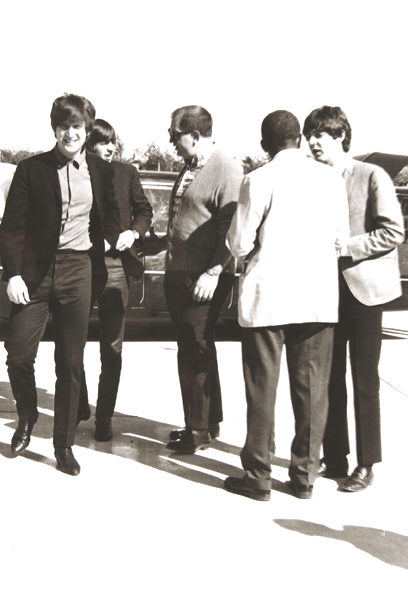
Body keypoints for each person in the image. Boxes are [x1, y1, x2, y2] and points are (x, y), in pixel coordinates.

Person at [224, 110, 349, 501]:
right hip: (316, 300)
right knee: (312, 390)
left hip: (268, 300)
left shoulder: (258, 179)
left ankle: (259, 476)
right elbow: (340, 240)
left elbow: (238, 243)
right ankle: (304, 477)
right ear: (299, 138)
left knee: (262, 388)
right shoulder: (331, 179)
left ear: (265, 145)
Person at [0, 94, 120, 475]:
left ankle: (63, 444)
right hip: (35, 272)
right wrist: (13, 274)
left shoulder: (100, 171)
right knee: (18, 354)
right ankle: (27, 416)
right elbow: (11, 228)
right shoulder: (31, 169)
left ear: (87, 131)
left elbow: (113, 214)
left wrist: (110, 238)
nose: (71, 134)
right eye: (65, 126)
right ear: (55, 129)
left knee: (70, 361)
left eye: (78, 127)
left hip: (79, 270)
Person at [303, 106, 404, 492]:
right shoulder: (314, 181)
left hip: (364, 292)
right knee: (328, 378)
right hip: (326, 290)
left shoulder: (371, 175)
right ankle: (336, 456)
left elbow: (393, 231)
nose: (312, 142)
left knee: (364, 379)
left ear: (341, 136)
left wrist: (349, 247)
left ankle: (366, 463)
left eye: (321, 135)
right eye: (309, 135)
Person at [142, 105, 243, 453]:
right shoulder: (189, 167)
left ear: (195, 136)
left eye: (175, 136)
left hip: (203, 278)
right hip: (182, 274)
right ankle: (207, 422)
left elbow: (232, 231)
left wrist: (213, 272)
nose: (171, 143)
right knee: (199, 347)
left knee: (193, 351)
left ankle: (197, 431)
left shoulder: (227, 170)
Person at [77, 119, 153, 441]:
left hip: (117, 268)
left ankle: (104, 418)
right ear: (90, 143)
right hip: (79, 266)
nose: (111, 147)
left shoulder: (126, 173)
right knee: (71, 343)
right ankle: (78, 404)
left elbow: (145, 211)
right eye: (105, 142)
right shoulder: (75, 171)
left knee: (112, 348)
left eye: (114, 142)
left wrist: (133, 232)